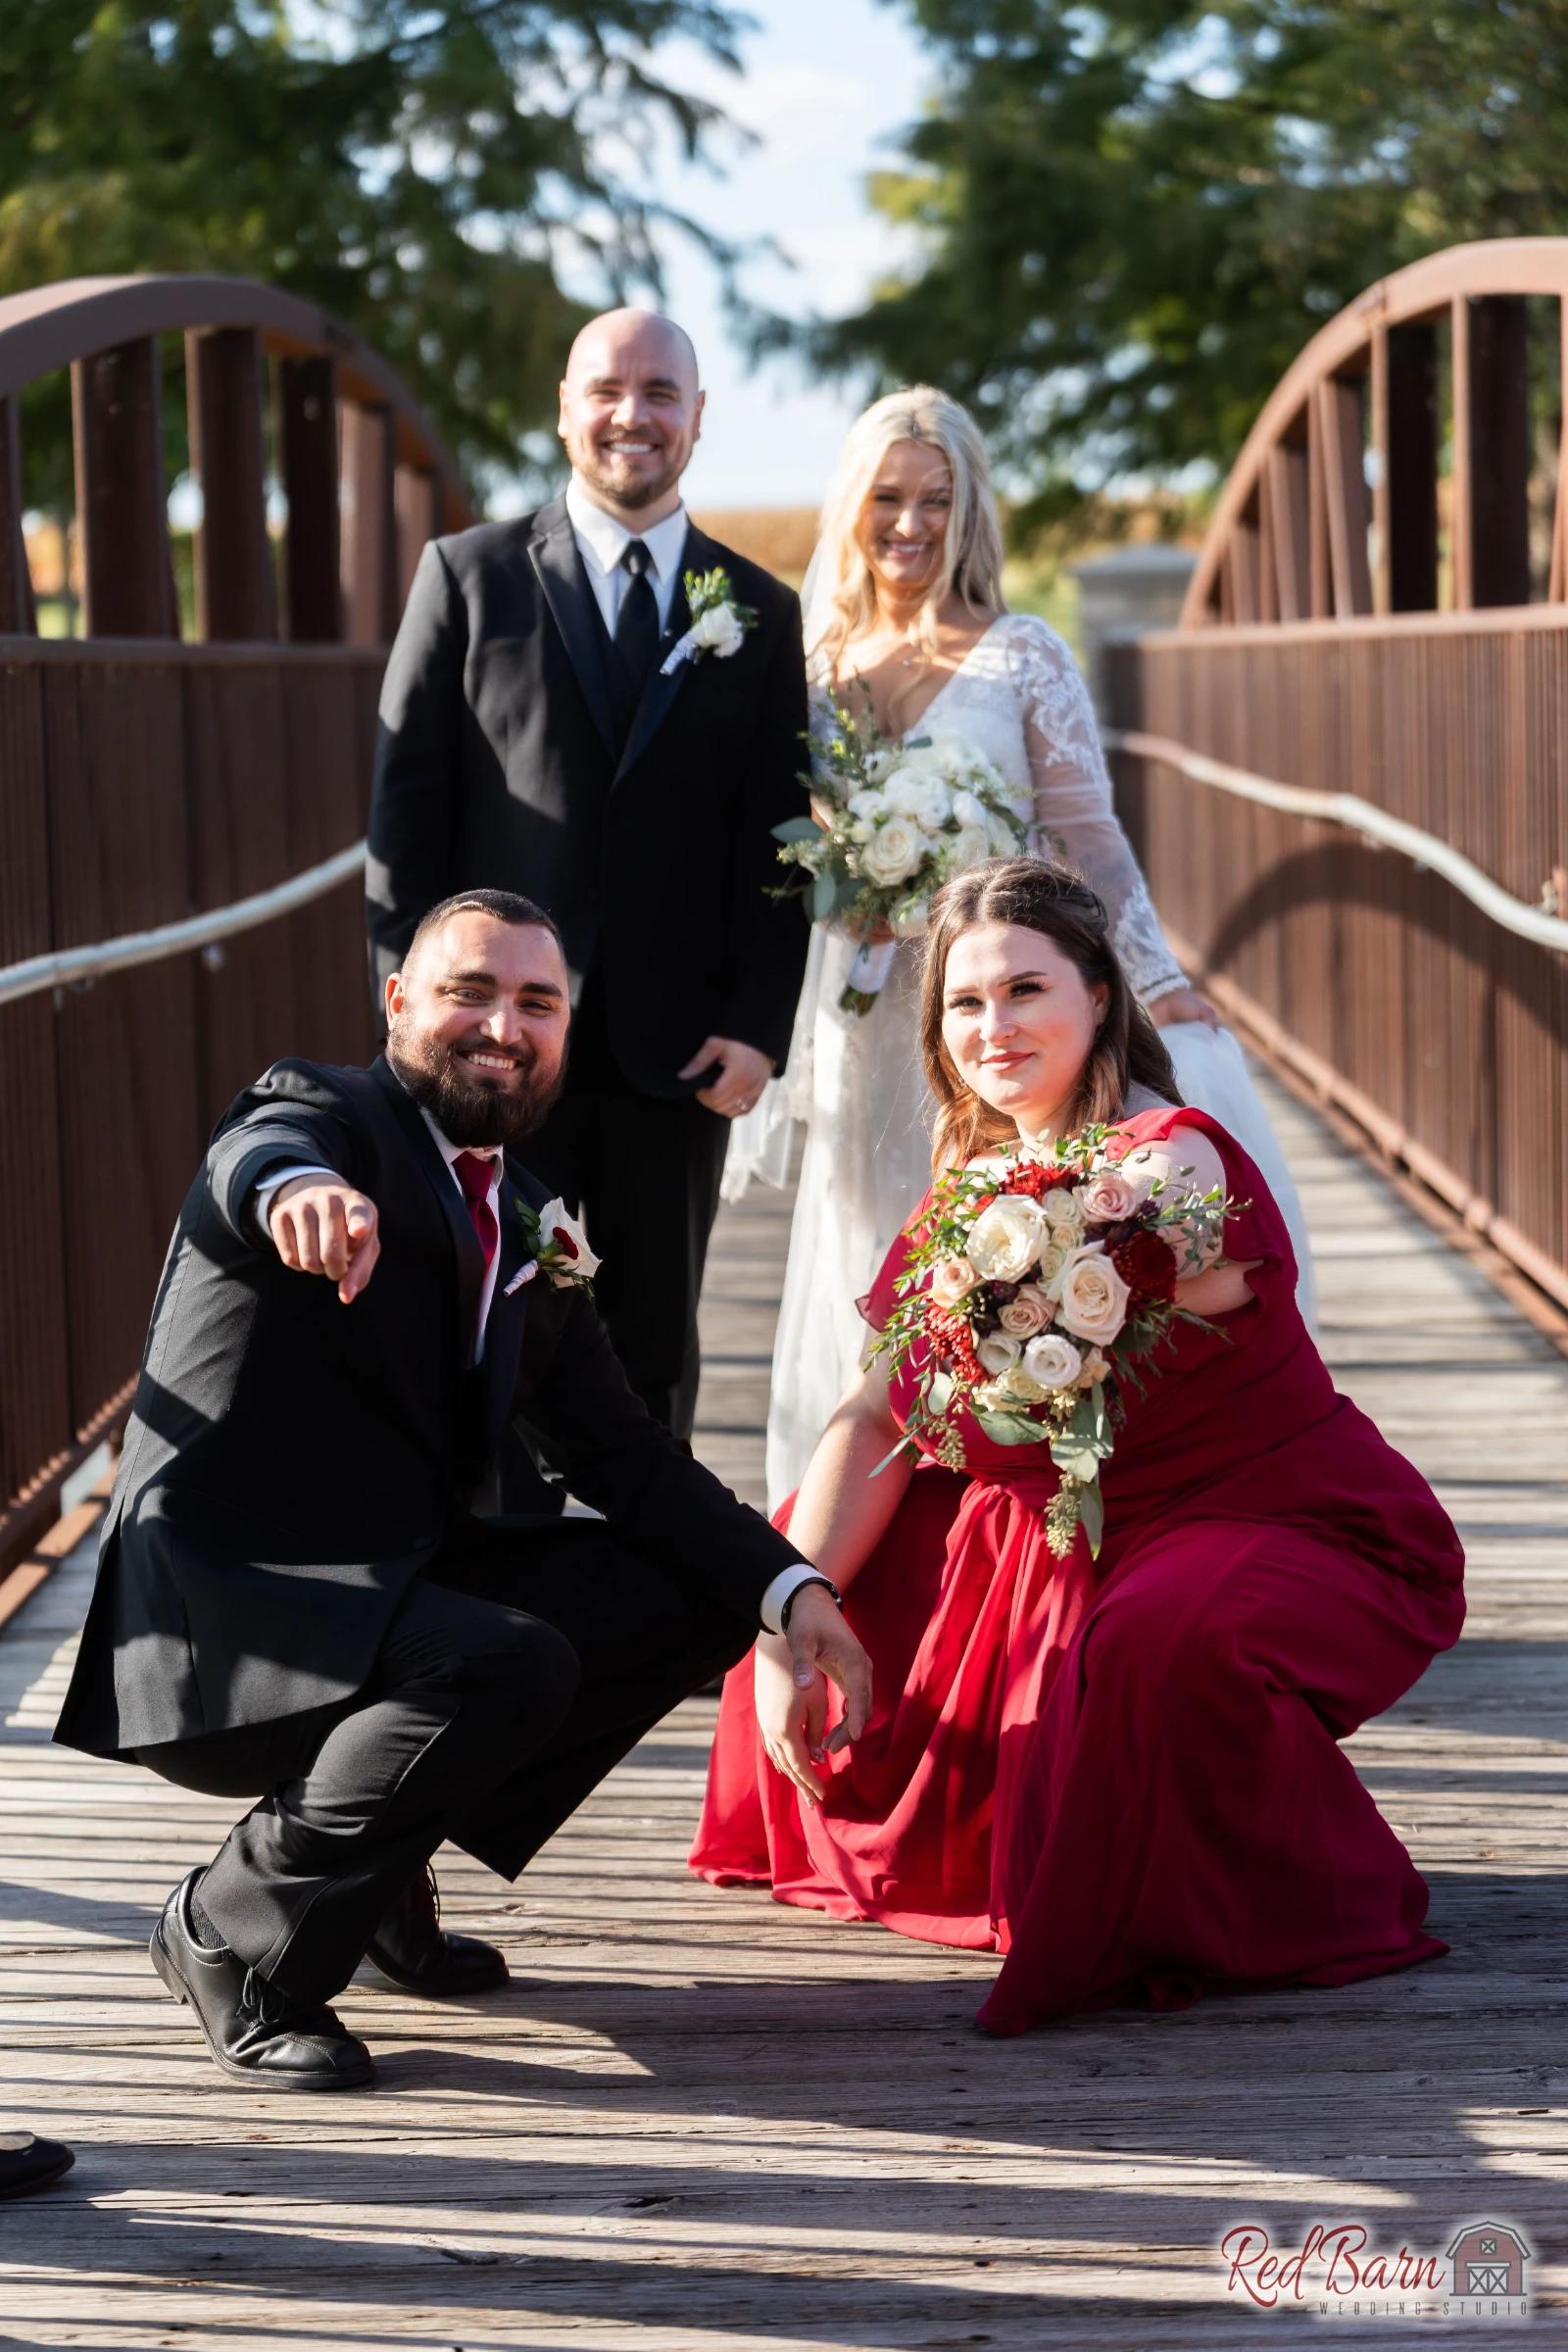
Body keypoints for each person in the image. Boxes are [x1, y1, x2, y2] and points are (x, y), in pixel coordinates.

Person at [54, 891, 867, 2091]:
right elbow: (256, 1157)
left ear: (566, 1028)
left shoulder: (527, 1214)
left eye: (536, 1003)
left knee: (699, 1591)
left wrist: (792, 1590)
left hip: (382, 1582)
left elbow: (624, 1456)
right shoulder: (323, 1117)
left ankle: (372, 1878)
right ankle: (233, 1931)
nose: (503, 1025)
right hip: (233, 1606)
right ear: (398, 1002)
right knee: (503, 1661)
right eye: (469, 992)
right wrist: (295, 1199)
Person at [692, 858, 1464, 2034]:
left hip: (1267, 1514)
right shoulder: (956, 1200)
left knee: (1161, 1637)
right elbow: (873, 1420)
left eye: (1025, 990)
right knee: (801, 1543)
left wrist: (1048, 1238)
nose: (991, 1028)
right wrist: (790, 1610)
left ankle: (1219, 1901)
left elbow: (1143, 1224)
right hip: (1063, 1526)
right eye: (963, 1003)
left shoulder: (1175, 1150)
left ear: (1099, 995)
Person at [723, 387, 1314, 1507]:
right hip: (865, 1018)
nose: (910, 525)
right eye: (887, 499)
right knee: (867, 1252)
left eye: (936, 500)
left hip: (996, 1023)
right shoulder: (809, 664)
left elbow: (1088, 842)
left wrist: (1156, 980)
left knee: (1008, 1256)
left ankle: (996, 1512)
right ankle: (839, 1524)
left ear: (969, 510)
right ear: (850, 507)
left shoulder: (1019, 655)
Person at [367, 309, 809, 1474]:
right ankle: (498, 1595)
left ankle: (641, 1602)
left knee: (654, 1343)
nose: (633, 414)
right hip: (494, 1040)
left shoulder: (760, 610)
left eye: (662, 392)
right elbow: (403, 815)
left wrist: (761, 1025)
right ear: (564, 408)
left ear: (698, 418)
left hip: (677, 1051)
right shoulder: (465, 579)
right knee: (488, 1320)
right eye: (607, 389)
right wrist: (410, 1005)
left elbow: (781, 842)